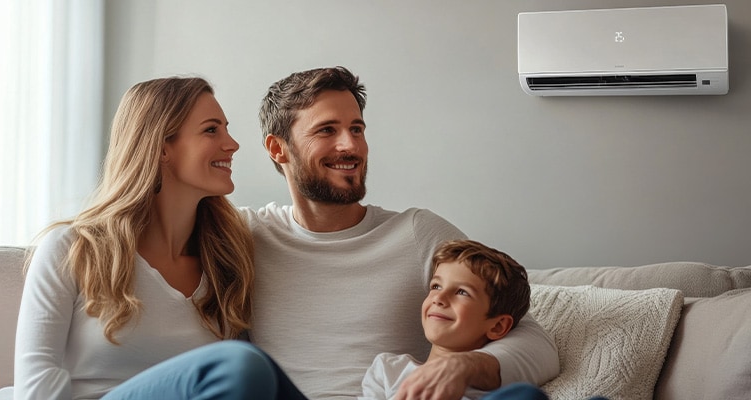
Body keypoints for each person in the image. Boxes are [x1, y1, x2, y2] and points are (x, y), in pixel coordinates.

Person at [237, 66, 561, 400]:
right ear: (278, 149)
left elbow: (537, 343)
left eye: (357, 129)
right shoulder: (244, 235)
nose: (351, 146)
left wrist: (464, 366)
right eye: (327, 130)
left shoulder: (416, 234)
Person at [12, 77, 304, 400]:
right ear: (163, 147)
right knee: (240, 366)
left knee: (257, 374)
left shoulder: (226, 258)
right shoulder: (72, 250)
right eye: (211, 130)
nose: (232, 144)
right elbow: (35, 386)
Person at [359, 239, 536, 400]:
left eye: (462, 292)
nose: (439, 298)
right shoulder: (389, 370)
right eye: (436, 286)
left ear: (497, 326)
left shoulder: (495, 389)